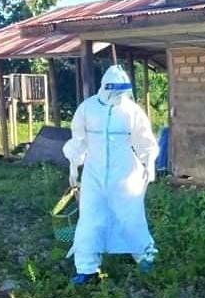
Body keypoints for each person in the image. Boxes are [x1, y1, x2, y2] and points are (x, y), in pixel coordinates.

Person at [63, 65, 159, 285]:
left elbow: (145, 141)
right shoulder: (88, 109)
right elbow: (79, 140)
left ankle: (146, 258)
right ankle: (87, 268)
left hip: (125, 174)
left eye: (122, 91)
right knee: (90, 219)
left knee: (131, 217)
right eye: (114, 91)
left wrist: (149, 164)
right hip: (94, 174)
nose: (118, 96)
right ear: (105, 87)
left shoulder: (132, 111)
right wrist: (74, 165)